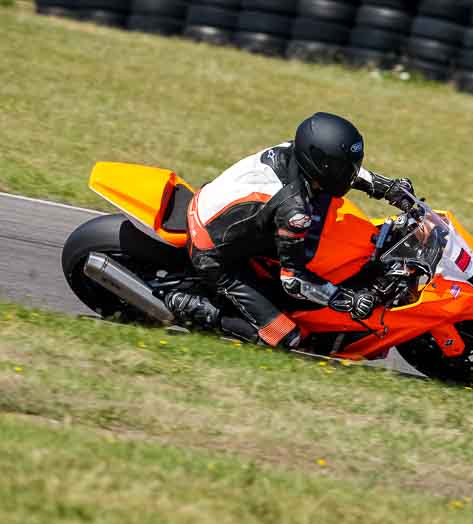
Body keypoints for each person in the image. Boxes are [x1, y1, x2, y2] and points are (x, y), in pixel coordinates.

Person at [166, 112, 415, 349]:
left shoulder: (295, 151)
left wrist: (387, 187)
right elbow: (294, 280)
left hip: (225, 213)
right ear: (321, 164)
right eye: (342, 168)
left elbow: (343, 172)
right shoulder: (293, 210)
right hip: (212, 253)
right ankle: (189, 305)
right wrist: (348, 300)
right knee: (286, 336)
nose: (348, 174)